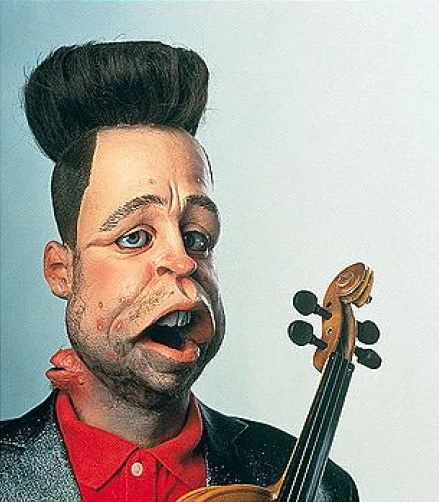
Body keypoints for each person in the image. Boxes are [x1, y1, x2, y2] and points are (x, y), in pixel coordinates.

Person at [0, 41, 358, 502]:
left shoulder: (322, 487)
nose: (183, 261)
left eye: (196, 237)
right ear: (61, 271)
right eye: (135, 237)